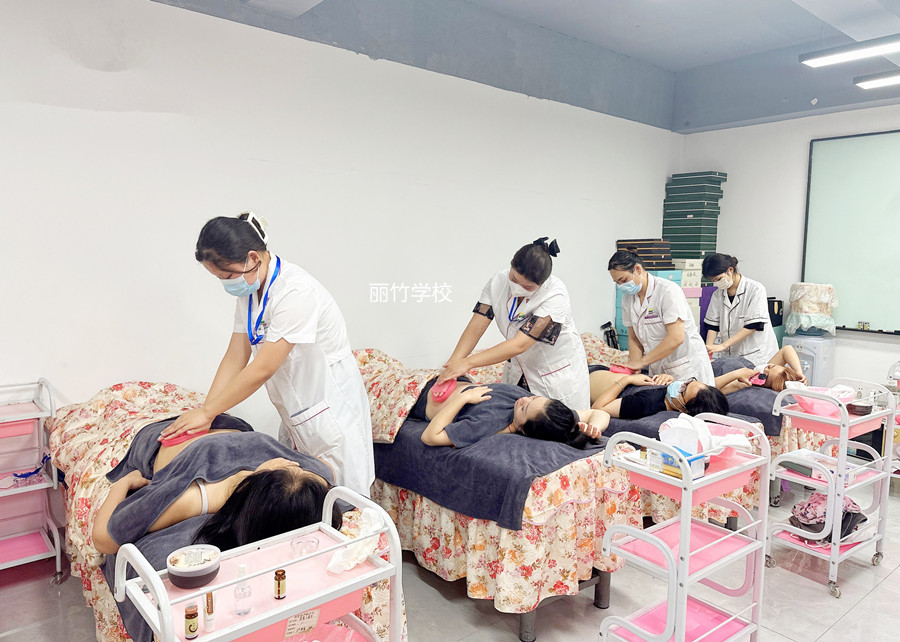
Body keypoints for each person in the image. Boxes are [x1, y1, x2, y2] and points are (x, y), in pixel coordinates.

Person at [160, 212, 374, 496]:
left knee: (345, 498)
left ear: (252, 258)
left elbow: (263, 367)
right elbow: (235, 355)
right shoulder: (250, 292)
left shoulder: (296, 292)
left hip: (329, 406)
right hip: (300, 410)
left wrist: (208, 412)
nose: (227, 284)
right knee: (304, 496)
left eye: (227, 276)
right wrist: (207, 412)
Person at [92, 416, 340, 555]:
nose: (297, 466)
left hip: (169, 437)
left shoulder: (195, 498)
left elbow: (105, 539)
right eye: (294, 468)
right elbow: (326, 471)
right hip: (229, 425)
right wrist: (123, 482)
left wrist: (123, 484)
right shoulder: (310, 478)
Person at [438, 238, 590, 409]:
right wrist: (453, 363)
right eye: (514, 279)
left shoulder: (555, 294)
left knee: (559, 421)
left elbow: (520, 344)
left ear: (542, 283)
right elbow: (476, 327)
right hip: (519, 369)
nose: (519, 288)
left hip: (554, 374)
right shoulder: (498, 281)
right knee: (514, 417)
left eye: (528, 287)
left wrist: (468, 363)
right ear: (511, 266)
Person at [608, 250, 714, 385]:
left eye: (623, 280)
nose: (622, 286)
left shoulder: (667, 291)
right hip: (659, 367)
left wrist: (642, 362)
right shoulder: (627, 299)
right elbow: (633, 338)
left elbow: (676, 337)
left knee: (692, 397)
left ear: (637, 269)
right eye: (617, 282)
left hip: (686, 366)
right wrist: (634, 366)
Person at [413, 376, 607, 448]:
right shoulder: (551, 417)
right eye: (534, 397)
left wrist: (462, 399)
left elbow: (430, 437)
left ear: (523, 429)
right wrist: (594, 428)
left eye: (525, 408)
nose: (524, 399)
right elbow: (599, 413)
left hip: (420, 394)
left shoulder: (489, 423)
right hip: (446, 379)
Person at [702, 253, 780, 367]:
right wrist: (708, 351)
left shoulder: (755, 289)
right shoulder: (717, 295)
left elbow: (753, 325)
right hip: (731, 357)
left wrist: (723, 345)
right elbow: (713, 326)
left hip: (755, 355)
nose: (717, 283)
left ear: (730, 270)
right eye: (714, 280)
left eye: (718, 279)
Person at [588, 368, 729, 419]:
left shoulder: (645, 403)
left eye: (683, 390)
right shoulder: (671, 395)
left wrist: (627, 380)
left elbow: (598, 407)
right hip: (604, 370)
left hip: (587, 378)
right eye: (687, 382)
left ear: (684, 410)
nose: (680, 384)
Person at [711, 346, 808, 394]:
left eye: (765, 375)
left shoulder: (743, 384)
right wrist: (798, 372)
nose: (764, 370)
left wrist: (737, 374)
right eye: (770, 366)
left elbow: (708, 387)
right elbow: (787, 349)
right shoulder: (769, 371)